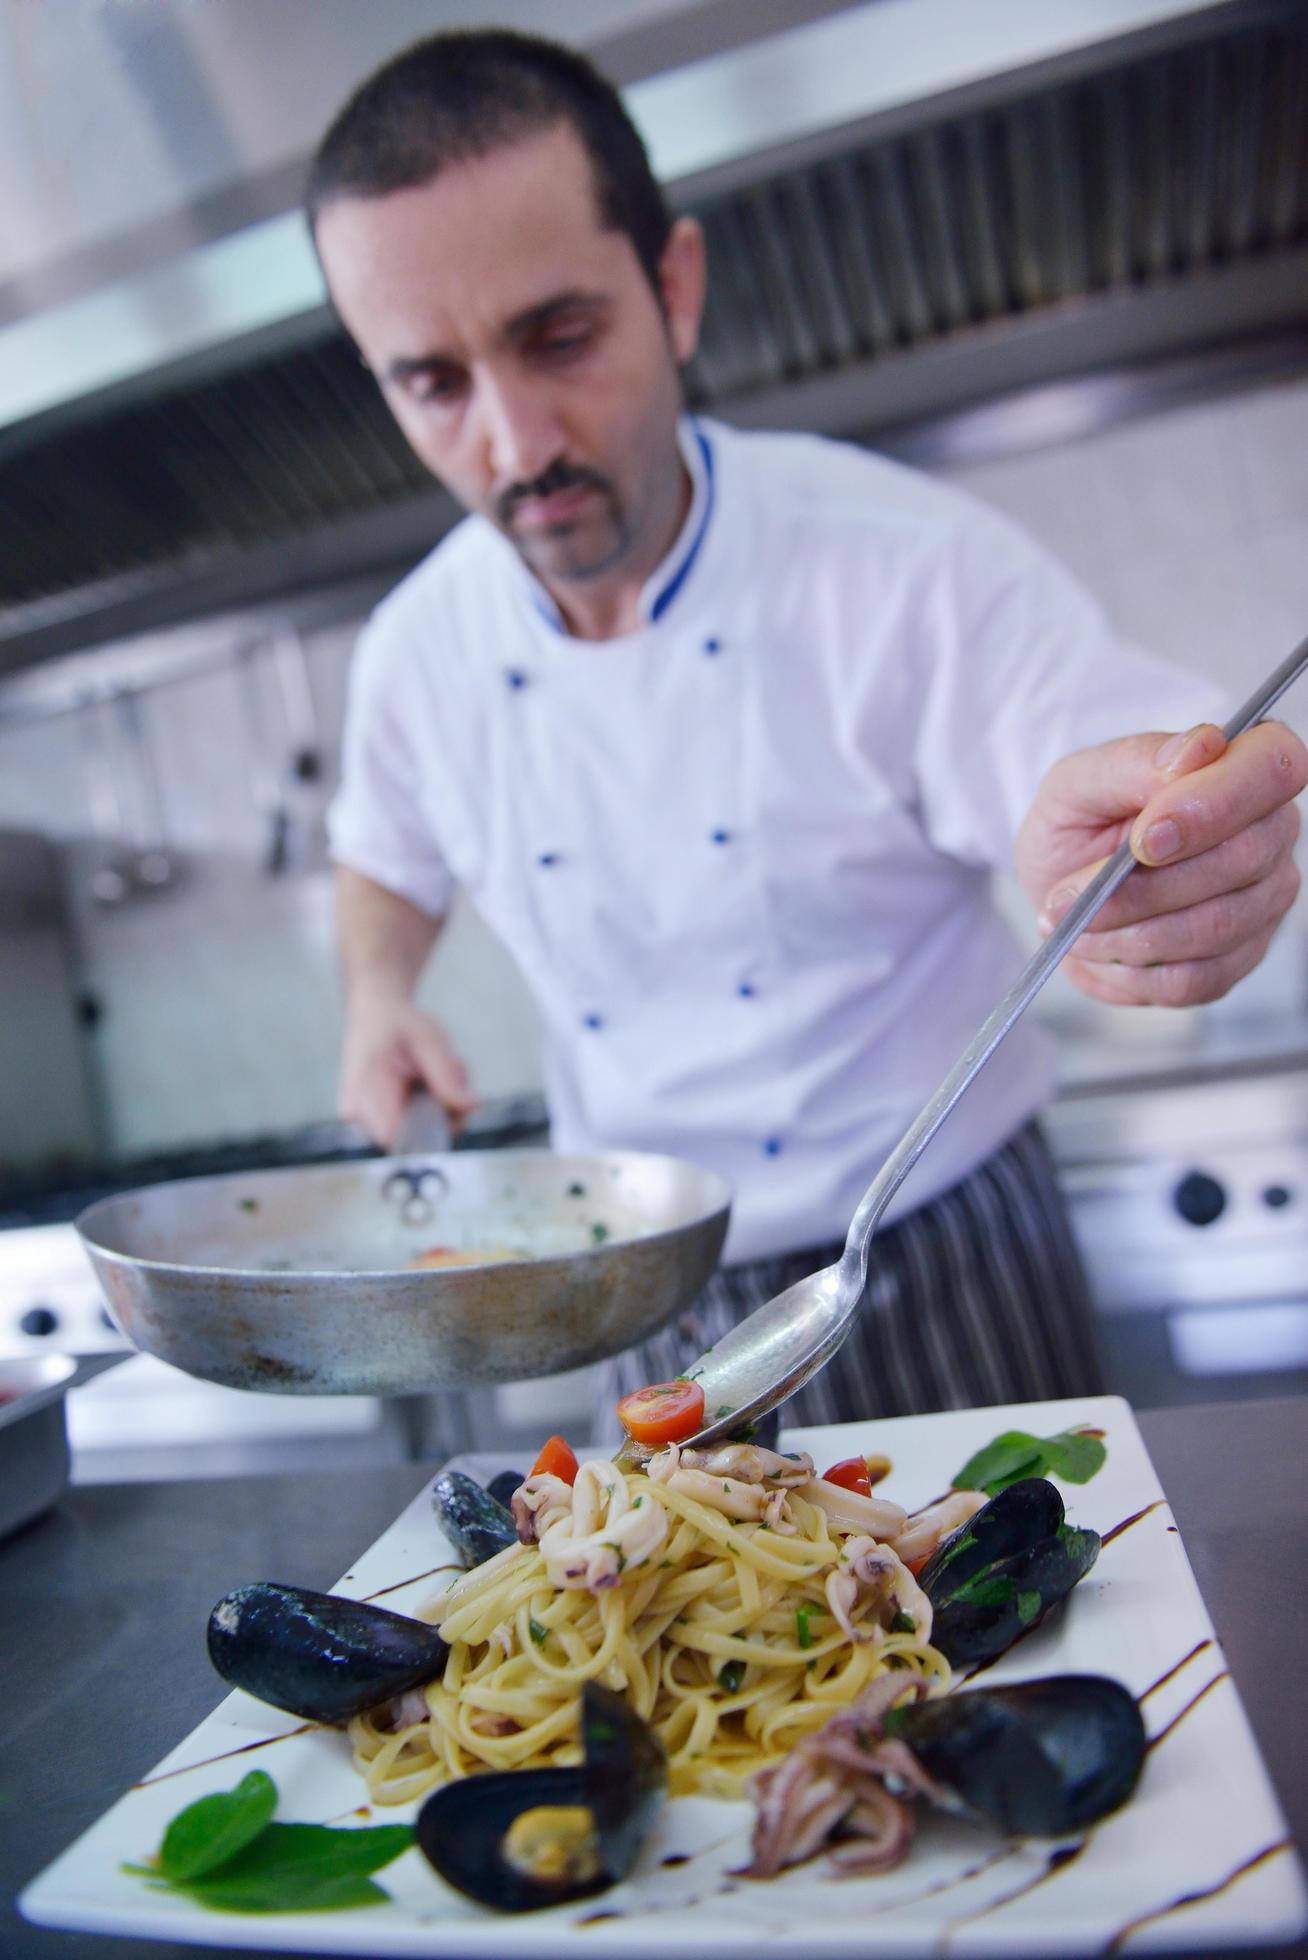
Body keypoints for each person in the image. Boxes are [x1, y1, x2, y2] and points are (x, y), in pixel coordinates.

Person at [312, 29, 1305, 1436]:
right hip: (640, 1296)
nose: (516, 441)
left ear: (676, 288)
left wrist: (1180, 836)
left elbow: (1091, 740)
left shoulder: (895, 562)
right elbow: (384, 853)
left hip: (940, 1248)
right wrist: (376, 995)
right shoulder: (417, 650)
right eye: (434, 382)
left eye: (561, 337)